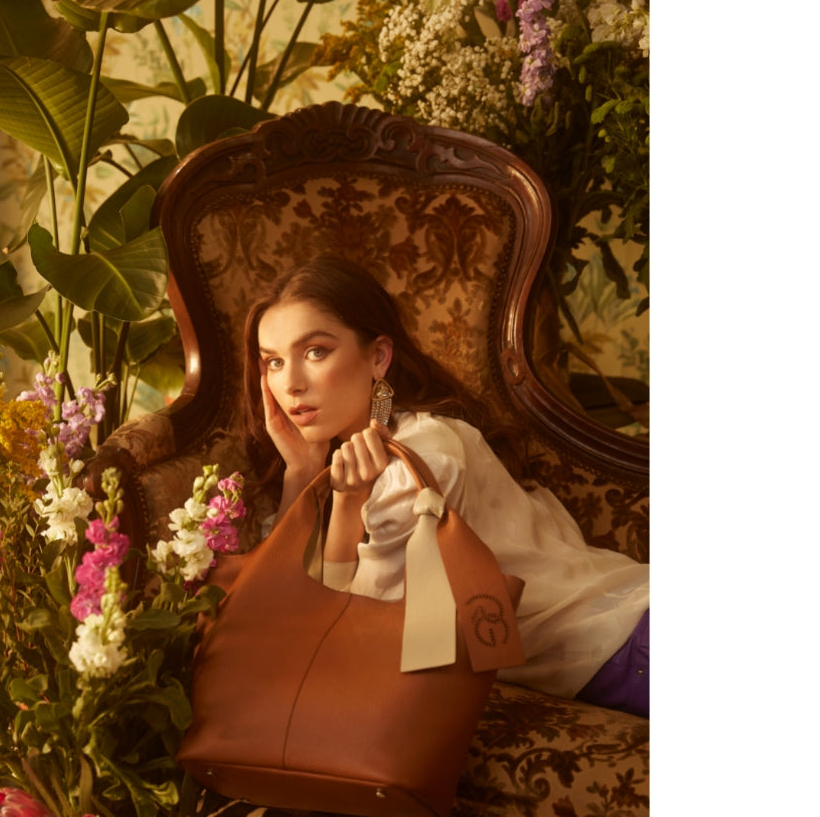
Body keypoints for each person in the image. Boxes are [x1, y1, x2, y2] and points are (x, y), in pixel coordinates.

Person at [239, 255, 649, 718]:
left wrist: (350, 505)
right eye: (273, 362)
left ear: (378, 357)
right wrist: (297, 474)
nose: (289, 384)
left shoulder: (416, 467)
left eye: (315, 352)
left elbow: (331, 634)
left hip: (625, 646)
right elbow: (263, 607)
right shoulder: (360, 454)